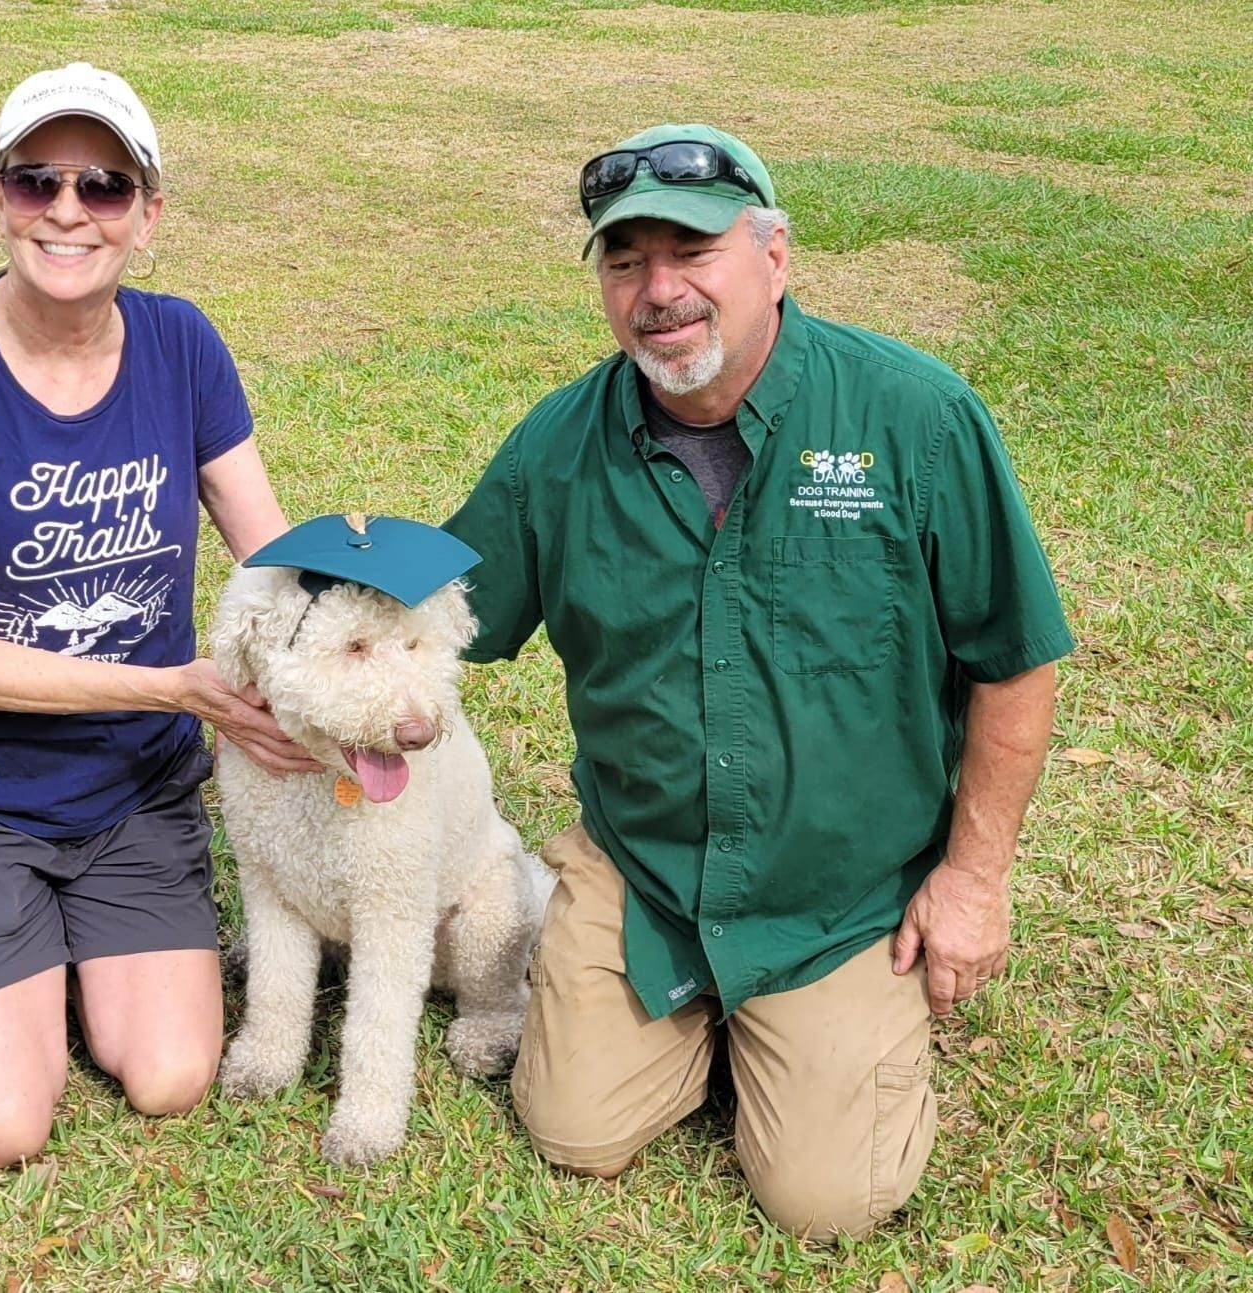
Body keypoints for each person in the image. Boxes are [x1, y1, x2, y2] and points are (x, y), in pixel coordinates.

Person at [444, 124, 1073, 1238]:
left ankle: (807, 1017)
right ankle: (698, 1009)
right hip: (646, 867)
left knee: (828, 1202)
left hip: (839, 895)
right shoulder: (557, 445)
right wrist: (305, 616)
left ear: (774, 258)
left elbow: (1014, 659)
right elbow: (448, 613)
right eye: (624, 258)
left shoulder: (914, 418)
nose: (659, 290)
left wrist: (972, 881)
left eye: (691, 250)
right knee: (573, 1131)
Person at [0, 62, 317, 1167]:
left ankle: (73, 949)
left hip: (133, 790)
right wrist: (176, 689)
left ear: (147, 217)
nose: (66, 210)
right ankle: (3, 942)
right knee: (2, 1128)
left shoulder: (181, 344)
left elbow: (271, 556)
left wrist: (356, 623)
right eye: (35, 179)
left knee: (171, 1076)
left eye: (102, 187)